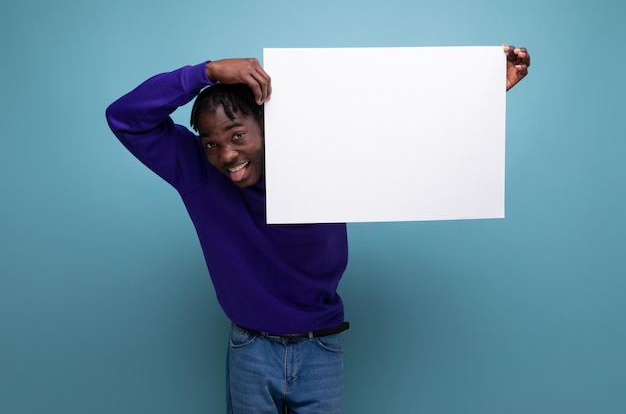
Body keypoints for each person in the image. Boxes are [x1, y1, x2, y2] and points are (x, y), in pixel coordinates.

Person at [105, 45, 530, 414]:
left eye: (238, 135)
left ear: (267, 126)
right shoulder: (198, 171)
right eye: (212, 143)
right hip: (250, 348)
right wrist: (207, 71)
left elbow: (410, 138)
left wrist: (483, 92)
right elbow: (125, 117)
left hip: (321, 348)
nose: (226, 154)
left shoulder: (324, 160)